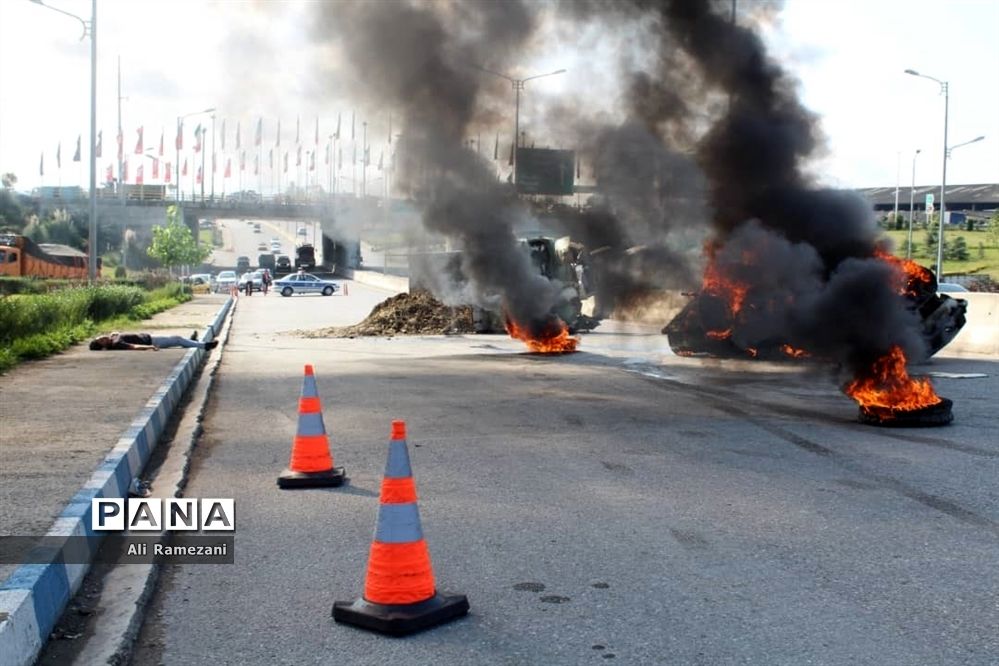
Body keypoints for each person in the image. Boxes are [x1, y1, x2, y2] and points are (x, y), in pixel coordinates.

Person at [89, 331, 219, 351]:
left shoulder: (113, 339)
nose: (103, 338)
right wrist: (150, 347)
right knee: (177, 339)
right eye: (101, 340)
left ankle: (191, 342)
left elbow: (116, 333)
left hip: (150, 337)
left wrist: (114, 334)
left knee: (176, 340)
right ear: (103, 347)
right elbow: (133, 346)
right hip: (151, 341)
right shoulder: (117, 344)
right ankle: (204, 346)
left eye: (101, 337)